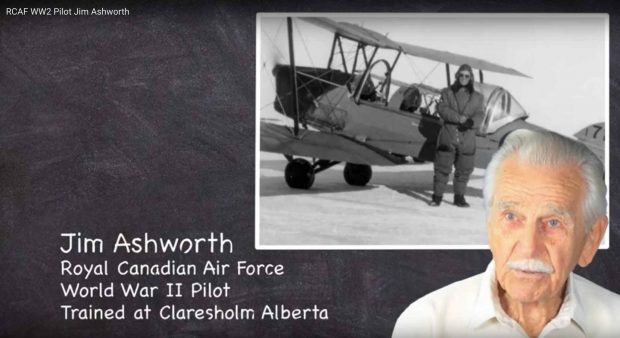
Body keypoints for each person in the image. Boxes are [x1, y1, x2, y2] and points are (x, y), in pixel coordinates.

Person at [393, 129, 619, 337]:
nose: (528, 247)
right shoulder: (428, 323)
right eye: (511, 217)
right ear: (489, 224)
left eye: (553, 223)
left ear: (591, 239)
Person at [430, 64, 485, 207]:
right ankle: (437, 197)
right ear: (457, 76)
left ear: (471, 77)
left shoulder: (478, 97)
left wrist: (471, 122)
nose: (464, 78)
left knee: (464, 169)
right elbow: (442, 108)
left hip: (467, 138)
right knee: (442, 167)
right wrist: (458, 118)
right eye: (461, 75)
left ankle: (459, 197)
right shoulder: (447, 92)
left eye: (467, 76)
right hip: (449, 135)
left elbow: (480, 114)